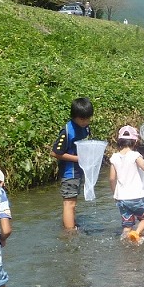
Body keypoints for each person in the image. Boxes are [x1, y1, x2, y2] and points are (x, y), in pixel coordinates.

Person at [51, 97, 94, 231]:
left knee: (73, 203)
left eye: (87, 118)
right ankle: (69, 233)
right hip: (69, 172)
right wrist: (78, 159)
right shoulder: (67, 132)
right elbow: (54, 152)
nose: (85, 121)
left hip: (79, 171)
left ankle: (71, 227)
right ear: (74, 117)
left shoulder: (85, 128)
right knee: (69, 203)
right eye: (82, 119)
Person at [108, 125, 144, 244]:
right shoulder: (135, 155)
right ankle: (136, 234)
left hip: (121, 198)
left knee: (127, 224)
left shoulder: (114, 157)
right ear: (135, 141)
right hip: (135, 196)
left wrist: (114, 194)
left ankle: (125, 242)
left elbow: (112, 179)